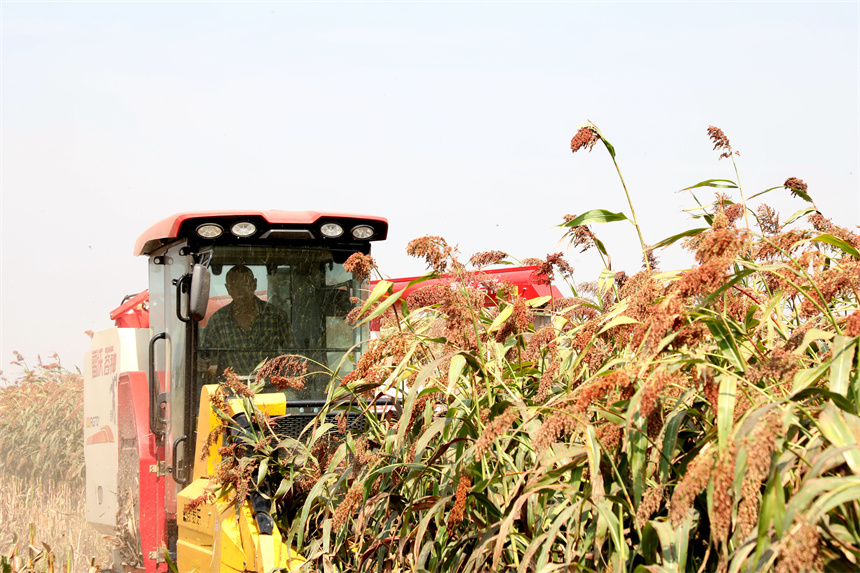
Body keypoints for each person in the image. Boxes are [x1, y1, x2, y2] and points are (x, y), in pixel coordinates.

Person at [201, 265, 292, 376]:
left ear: (254, 284)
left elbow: (292, 353)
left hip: (270, 385)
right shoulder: (218, 321)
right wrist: (202, 364)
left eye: (245, 285)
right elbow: (203, 356)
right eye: (235, 286)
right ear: (228, 289)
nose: (241, 292)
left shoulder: (276, 316)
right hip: (231, 385)